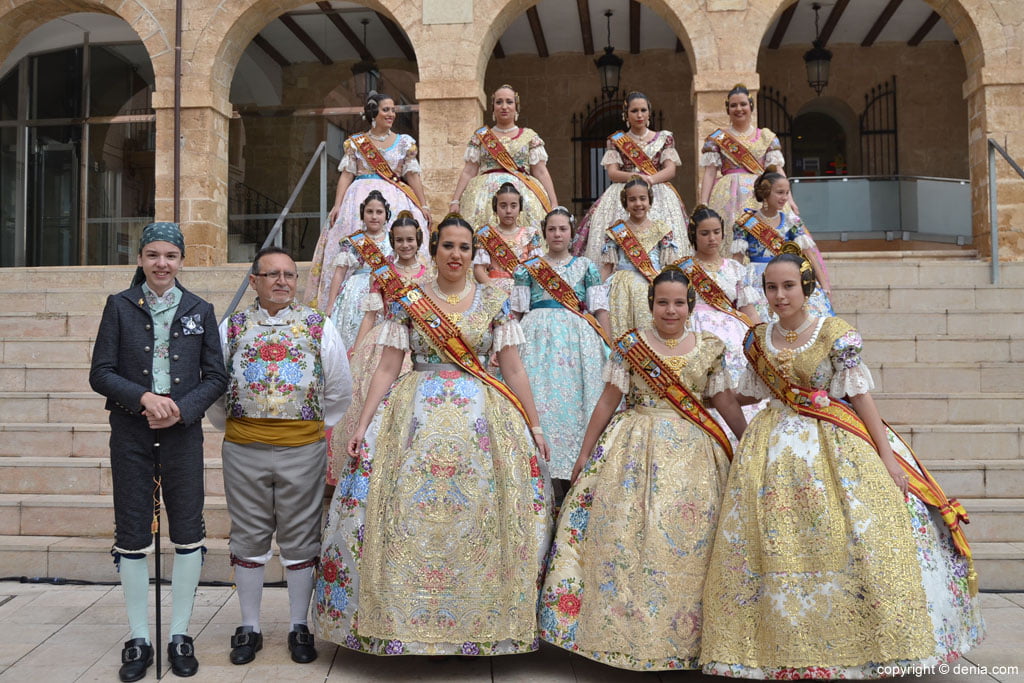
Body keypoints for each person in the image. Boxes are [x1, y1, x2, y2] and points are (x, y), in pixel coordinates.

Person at [700, 245, 984, 678]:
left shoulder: (834, 333)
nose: (779, 296)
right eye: (771, 287)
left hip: (834, 442)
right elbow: (753, 392)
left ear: (806, 286)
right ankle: (777, 647)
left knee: (852, 534)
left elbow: (859, 396)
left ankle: (866, 645)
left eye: (788, 286)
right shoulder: (757, 338)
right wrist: (710, 393)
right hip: (770, 448)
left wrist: (888, 459)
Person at [314, 214, 553, 656]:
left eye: (464, 247)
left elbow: (514, 367)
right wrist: (363, 424)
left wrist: (534, 426)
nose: (456, 255)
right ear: (434, 250)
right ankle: (397, 623)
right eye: (448, 246)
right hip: (414, 416)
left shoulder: (494, 300)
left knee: (479, 514)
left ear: (473, 253)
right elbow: (387, 365)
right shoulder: (409, 300)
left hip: (483, 420)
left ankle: (480, 622)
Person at [539, 267, 746, 671]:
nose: (671, 310)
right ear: (650, 305)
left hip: (695, 455)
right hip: (631, 447)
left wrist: (747, 443)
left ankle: (688, 641)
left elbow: (723, 401)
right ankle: (622, 636)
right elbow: (607, 400)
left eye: (679, 303)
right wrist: (585, 452)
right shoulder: (632, 345)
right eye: (663, 302)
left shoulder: (708, 347)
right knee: (625, 535)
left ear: (691, 306)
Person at [89, 222, 228, 681]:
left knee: (187, 528)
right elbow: (101, 373)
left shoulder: (199, 309)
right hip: (130, 433)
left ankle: (180, 634)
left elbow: (216, 377)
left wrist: (181, 410)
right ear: (141, 259)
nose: (162, 263)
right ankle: (139, 638)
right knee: (132, 531)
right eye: (153, 255)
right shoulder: (119, 306)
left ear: (182, 260)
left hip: (182, 435)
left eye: (170, 255)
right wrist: (144, 398)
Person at [209, 246, 352, 667]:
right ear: (253, 280)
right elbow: (216, 386)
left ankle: (297, 625)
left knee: (300, 534)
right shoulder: (231, 328)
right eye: (272, 274)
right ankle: (249, 626)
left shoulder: (317, 325)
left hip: (303, 449)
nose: (282, 281)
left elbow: (339, 386)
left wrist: (307, 428)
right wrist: (240, 428)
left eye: (289, 274)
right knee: (248, 534)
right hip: (243, 447)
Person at [511, 206, 610, 493]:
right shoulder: (527, 268)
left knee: (576, 406)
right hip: (536, 340)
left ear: (571, 233)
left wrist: (611, 345)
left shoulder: (586, 267)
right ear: (544, 233)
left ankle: (574, 482)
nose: (557, 234)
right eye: (552, 229)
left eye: (562, 229)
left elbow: (600, 310)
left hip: (578, 343)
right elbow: (516, 313)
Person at [328, 211, 428, 485]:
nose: (405, 245)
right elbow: (370, 315)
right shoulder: (382, 272)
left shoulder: (429, 273)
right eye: (399, 240)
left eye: (409, 240)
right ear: (392, 242)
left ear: (418, 240)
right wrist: (357, 350)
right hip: (385, 340)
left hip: (419, 344)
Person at [306, 91, 430, 309]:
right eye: (386, 110)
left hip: (395, 198)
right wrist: (338, 204)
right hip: (358, 199)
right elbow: (347, 173)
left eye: (393, 110)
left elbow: (412, 175)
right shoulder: (357, 143)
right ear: (374, 112)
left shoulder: (403, 143)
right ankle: (340, 303)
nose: (391, 114)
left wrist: (423, 204)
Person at [675, 205, 761, 443]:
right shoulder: (682, 269)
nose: (712, 238)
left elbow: (747, 309)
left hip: (734, 336)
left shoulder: (736, 268)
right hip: (696, 332)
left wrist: (760, 339)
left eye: (716, 232)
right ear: (694, 235)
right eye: (705, 233)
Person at [574, 92, 688, 263]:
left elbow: (670, 170)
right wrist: (634, 176)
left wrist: (650, 180)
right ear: (626, 114)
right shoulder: (617, 140)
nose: (639, 115)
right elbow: (613, 173)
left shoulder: (665, 138)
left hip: (657, 190)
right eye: (634, 111)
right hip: (625, 190)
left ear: (649, 112)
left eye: (643, 110)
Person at [699, 83, 796, 255]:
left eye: (743, 104)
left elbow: (777, 171)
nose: (739, 109)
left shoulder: (766, 137)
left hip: (761, 193)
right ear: (727, 109)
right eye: (733, 105)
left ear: (751, 106)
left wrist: (789, 199)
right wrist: (703, 203)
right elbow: (710, 172)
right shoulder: (717, 138)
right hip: (727, 196)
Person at [448, 84, 557, 230]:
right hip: (482, 198)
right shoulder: (480, 137)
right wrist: (455, 200)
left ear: (516, 106)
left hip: (524, 195)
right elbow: (469, 171)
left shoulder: (529, 137)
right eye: (499, 102)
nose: (504, 106)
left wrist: (553, 203)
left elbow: (541, 171)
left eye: (509, 102)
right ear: (493, 107)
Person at [732, 166, 833, 321]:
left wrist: (824, 285)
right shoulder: (746, 223)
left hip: (788, 275)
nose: (785, 197)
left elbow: (810, 256)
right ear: (765, 193)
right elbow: (736, 262)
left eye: (787, 193)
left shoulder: (792, 221)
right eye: (780, 192)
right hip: (756, 281)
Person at [601, 176, 684, 340]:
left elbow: (669, 265)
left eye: (642, 198)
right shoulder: (616, 231)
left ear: (650, 201)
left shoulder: (661, 229)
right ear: (625, 203)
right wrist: (598, 294)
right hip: (621, 289)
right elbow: (607, 267)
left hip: (652, 285)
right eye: (632, 199)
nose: (638, 203)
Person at [325, 190, 393, 349]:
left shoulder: (394, 239)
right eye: (369, 212)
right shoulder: (352, 241)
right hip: (355, 294)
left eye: (379, 212)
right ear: (363, 214)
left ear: (386, 215)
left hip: (385, 291)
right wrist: (330, 305)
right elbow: (340, 273)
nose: (374, 216)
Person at [473, 182, 542, 295]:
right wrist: (495, 291)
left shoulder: (530, 234)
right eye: (503, 206)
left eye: (513, 206)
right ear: (495, 208)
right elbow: (479, 270)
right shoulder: (486, 235)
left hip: (523, 291)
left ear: (520, 208)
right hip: (494, 289)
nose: (508, 211)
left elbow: (537, 270)